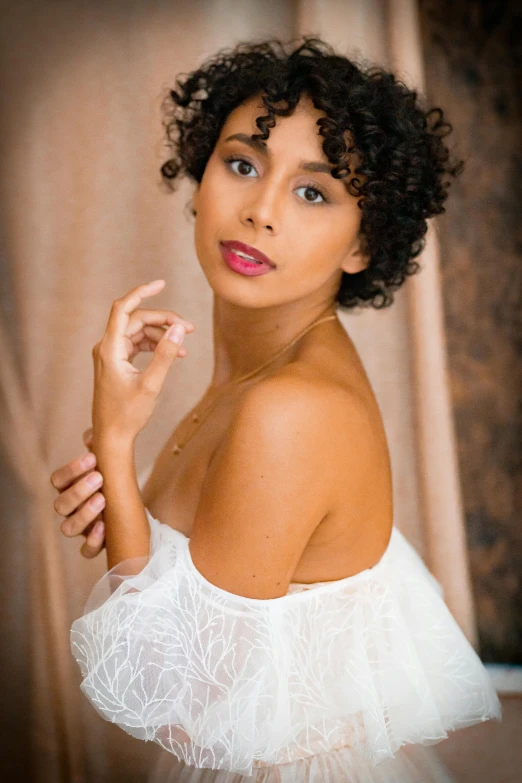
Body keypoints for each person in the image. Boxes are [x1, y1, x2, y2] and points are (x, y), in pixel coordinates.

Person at [51, 36, 501, 782]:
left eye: (314, 191)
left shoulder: (290, 408)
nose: (260, 211)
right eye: (242, 164)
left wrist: (119, 444)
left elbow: (189, 705)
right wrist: (114, 467)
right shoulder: (261, 364)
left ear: (365, 244)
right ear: (200, 181)